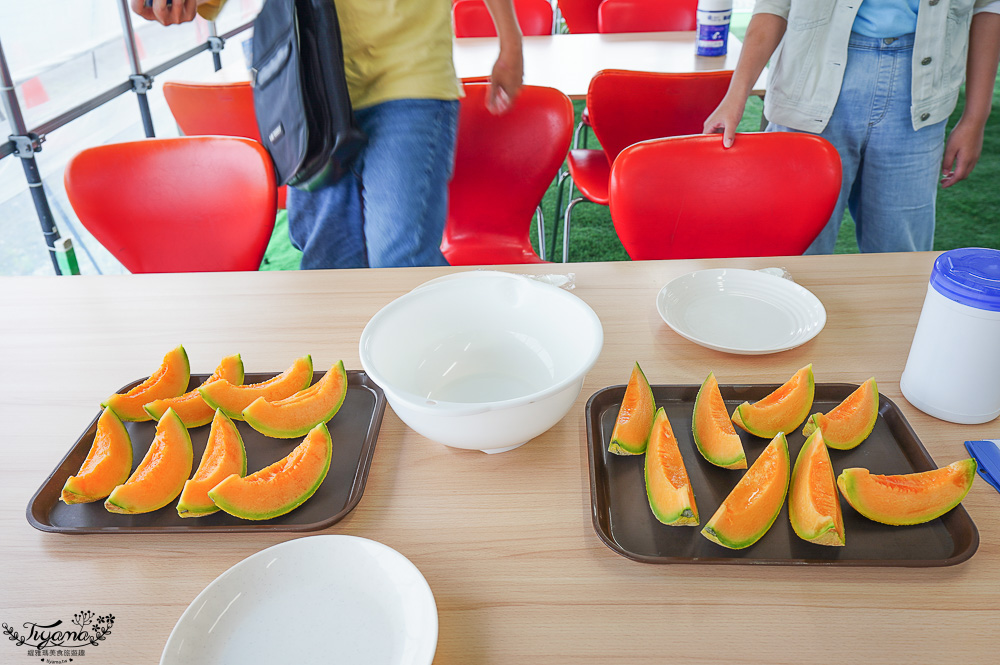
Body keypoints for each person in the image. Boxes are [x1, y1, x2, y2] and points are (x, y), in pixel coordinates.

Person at [131, 0, 524, 268]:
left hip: (410, 79)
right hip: (312, 88)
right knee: (329, 260)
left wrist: (511, 42)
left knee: (399, 257)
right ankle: (354, 386)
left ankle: (439, 378)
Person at [703, 0, 1000, 254]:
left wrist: (976, 117)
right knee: (793, 252)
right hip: (810, 76)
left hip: (921, 90)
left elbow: (988, 6)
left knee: (900, 261)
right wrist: (736, 95)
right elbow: (774, 6)